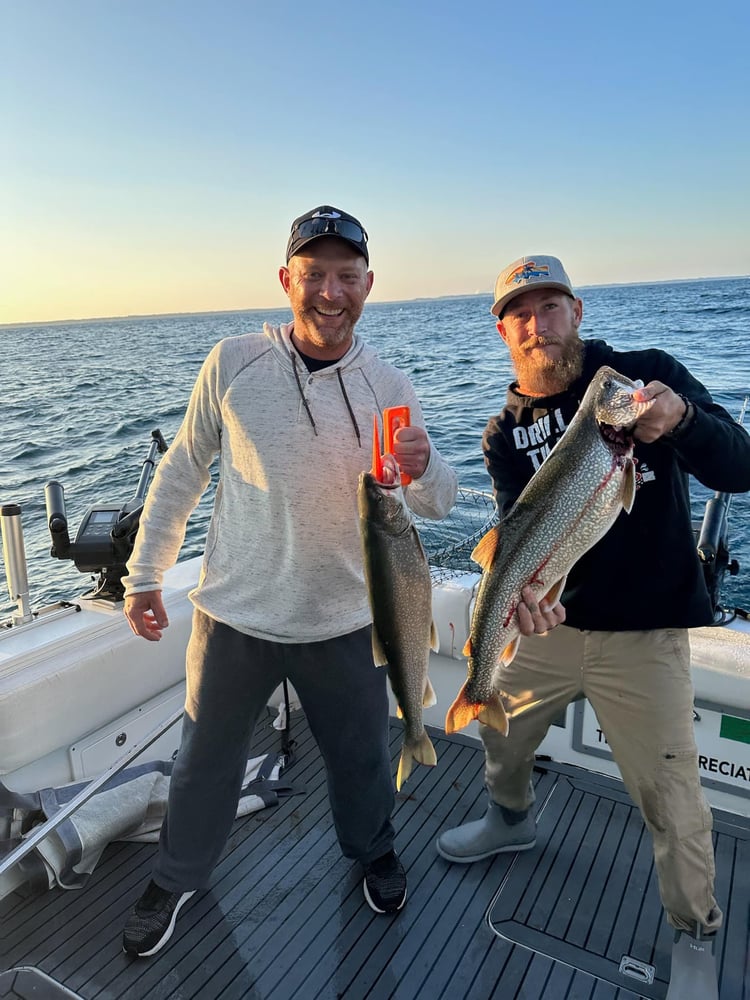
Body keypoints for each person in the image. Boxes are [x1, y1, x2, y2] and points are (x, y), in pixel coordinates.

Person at [121, 205, 458, 958]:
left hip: (347, 619)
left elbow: (436, 503)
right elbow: (182, 470)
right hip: (234, 615)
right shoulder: (233, 360)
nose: (330, 293)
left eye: (347, 276)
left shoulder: (390, 384)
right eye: (314, 275)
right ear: (286, 279)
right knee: (202, 764)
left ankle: (373, 850)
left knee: (364, 759)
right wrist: (145, 572)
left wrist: (424, 462)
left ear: (369, 283)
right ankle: (176, 877)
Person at [436, 254, 750, 999]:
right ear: (502, 330)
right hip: (552, 630)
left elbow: (739, 467)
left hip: (646, 635)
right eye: (521, 313)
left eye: (551, 307)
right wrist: (526, 600)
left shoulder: (641, 377)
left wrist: (682, 421)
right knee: (499, 731)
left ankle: (695, 933)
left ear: (577, 311)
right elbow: (515, 539)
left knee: (672, 797)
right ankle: (510, 817)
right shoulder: (502, 432)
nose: (537, 325)